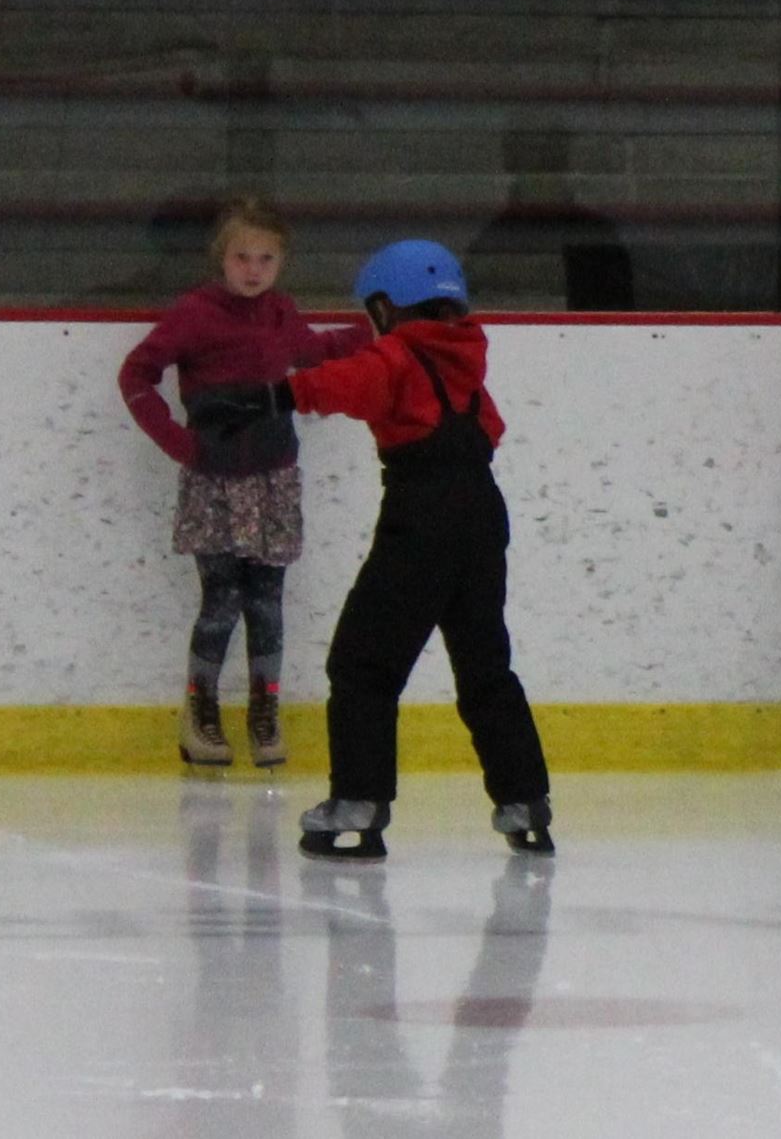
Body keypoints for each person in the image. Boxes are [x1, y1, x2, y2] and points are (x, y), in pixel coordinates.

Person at [198, 240, 554, 860]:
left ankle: (359, 801)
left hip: (421, 517)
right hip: (482, 515)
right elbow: (490, 429)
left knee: (363, 664)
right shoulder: (466, 361)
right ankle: (525, 802)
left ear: (388, 307)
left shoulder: (397, 354)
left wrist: (269, 398)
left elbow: (348, 382)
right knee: (485, 667)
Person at [118, 196, 370, 769]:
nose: (253, 270)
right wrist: (177, 442)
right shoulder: (195, 313)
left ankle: (265, 709)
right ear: (221, 259)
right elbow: (137, 372)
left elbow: (315, 351)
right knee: (221, 600)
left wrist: (372, 329)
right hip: (215, 480)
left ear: (280, 264)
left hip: (274, 474)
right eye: (241, 257)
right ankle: (200, 710)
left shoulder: (281, 312)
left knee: (268, 601)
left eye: (265, 259)